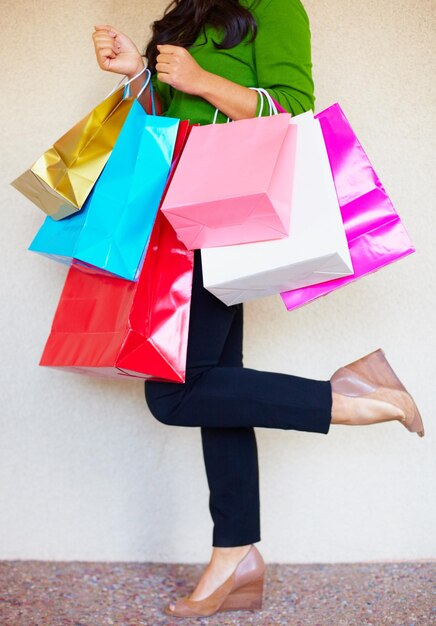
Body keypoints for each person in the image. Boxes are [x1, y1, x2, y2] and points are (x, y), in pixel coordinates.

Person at [92, 0, 424, 618]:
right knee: (218, 390)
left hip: (224, 213)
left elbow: (295, 109)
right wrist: (139, 74)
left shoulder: (274, 6)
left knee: (175, 393)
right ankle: (234, 557)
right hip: (175, 212)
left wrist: (201, 78)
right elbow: (166, 123)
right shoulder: (185, 11)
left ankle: (350, 399)